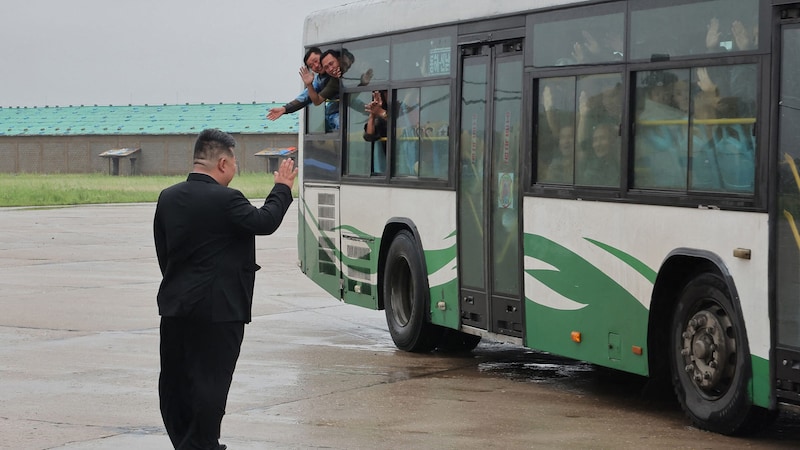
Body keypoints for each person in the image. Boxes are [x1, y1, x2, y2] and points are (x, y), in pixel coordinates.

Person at [153, 128, 297, 450]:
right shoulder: (227, 199)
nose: (236, 169)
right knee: (210, 384)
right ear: (222, 163)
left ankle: (186, 443)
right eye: (235, 162)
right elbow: (264, 222)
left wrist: (182, 285)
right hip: (219, 313)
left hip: (176, 307)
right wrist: (282, 189)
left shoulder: (168, 197)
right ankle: (203, 444)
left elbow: (165, 253)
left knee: (175, 384)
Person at [267, 47, 327, 121]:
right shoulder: (319, 80)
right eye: (311, 66)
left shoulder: (339, 65)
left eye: (316, 61)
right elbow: (304, 97)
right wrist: (285, 109)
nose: (316, 65)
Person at [363, 90, 388, 174]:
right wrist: (372, 115)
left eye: (381, 94)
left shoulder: (400, 106)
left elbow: (402, 125)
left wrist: (382, 112)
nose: (378, 97)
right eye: (375, 95)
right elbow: (369, 136)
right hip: (383, 157)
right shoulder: (377, 112)